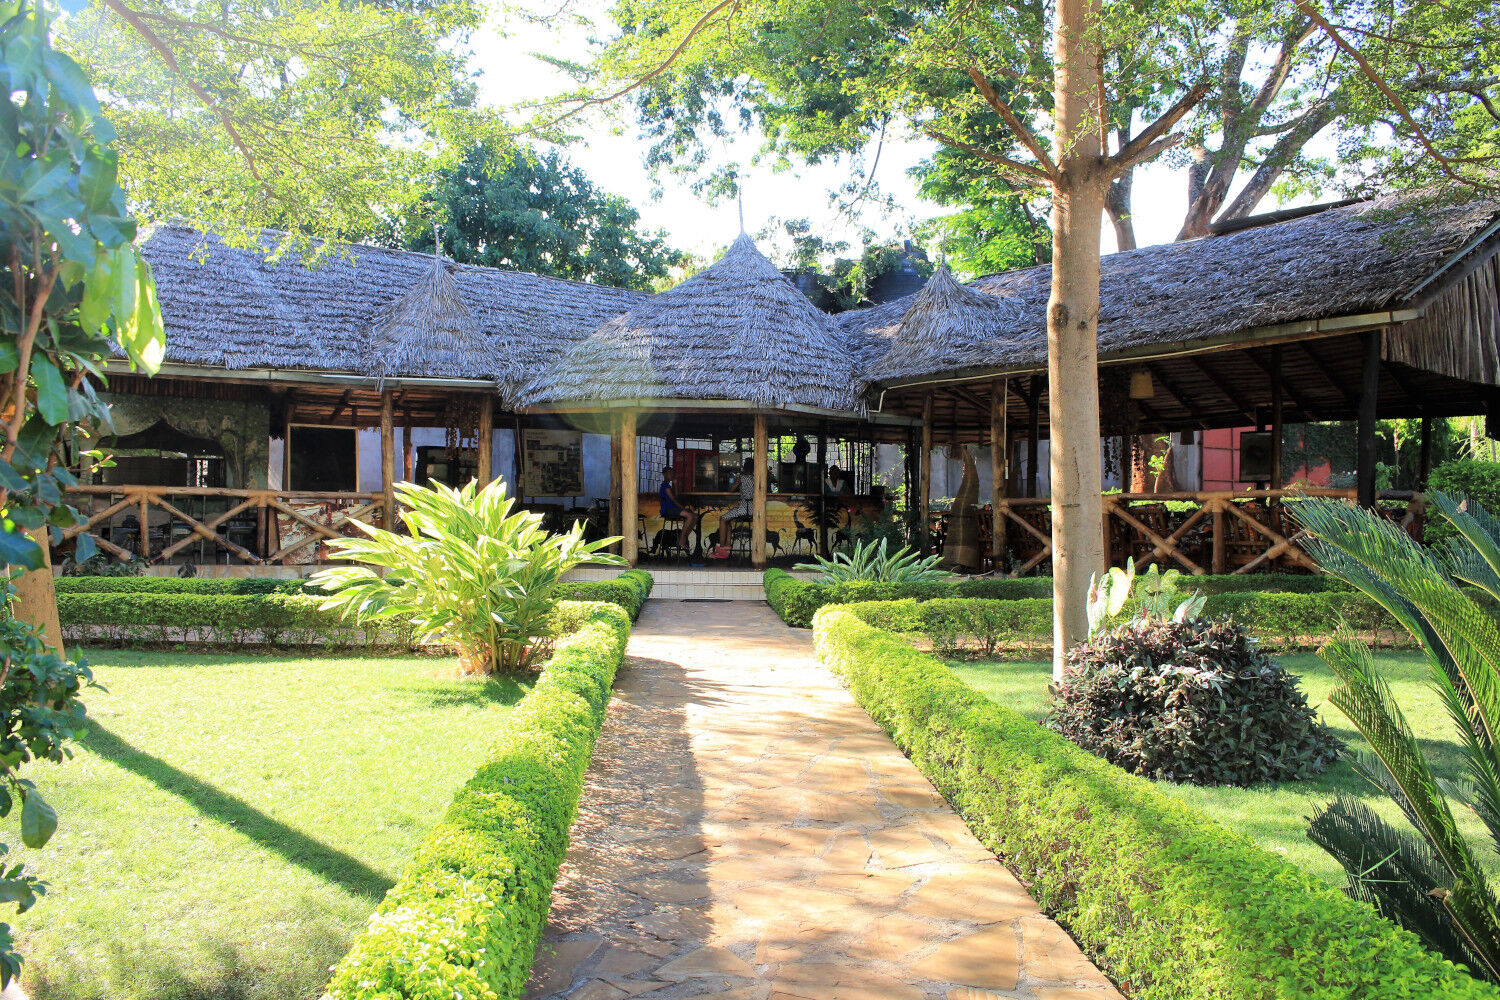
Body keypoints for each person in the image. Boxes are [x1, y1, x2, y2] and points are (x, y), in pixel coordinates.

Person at [713, 457, 756, 558]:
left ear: (744, 468)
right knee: (728, 520)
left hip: (743, 509)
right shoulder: (757, 478)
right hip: (754, 510)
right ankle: (728, 544)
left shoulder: (741, 478)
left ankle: (722, 548)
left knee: (723, 519)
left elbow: (731, 490)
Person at [658, 466, 698, 553]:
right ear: (665, 475)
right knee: (690, 516)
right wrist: (683, 508)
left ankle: (684, 537)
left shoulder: (669, 486)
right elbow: (674, 500)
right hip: (669, 510)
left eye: (672, 473)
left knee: (695, 516)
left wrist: (675, 485)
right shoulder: (665, 486)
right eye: (670, 473)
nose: (672, 475)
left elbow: (676, 497)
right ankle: (681, 539)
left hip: (673, 508)